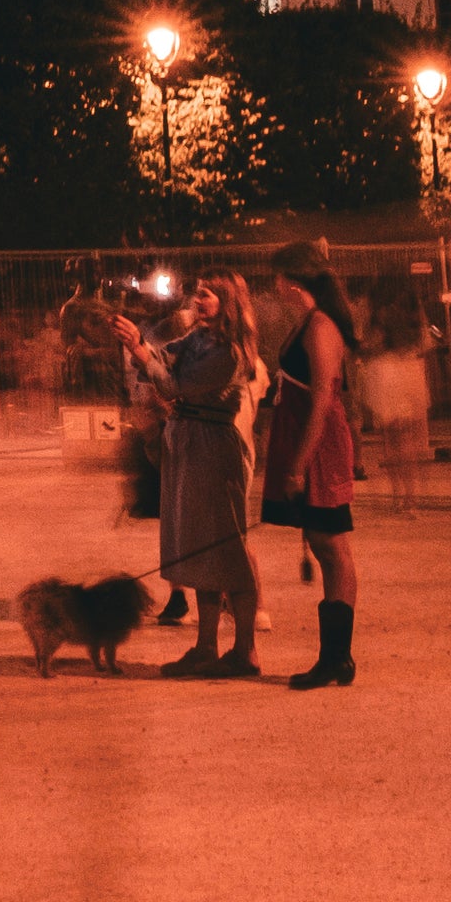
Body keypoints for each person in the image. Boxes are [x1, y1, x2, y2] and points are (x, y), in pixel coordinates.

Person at [121, 277, 261, 678]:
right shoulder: (199, 337)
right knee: (199, 550)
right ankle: (206, 647)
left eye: (206, 294)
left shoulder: (229, 351)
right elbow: (162, 360)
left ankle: (245, 650)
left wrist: (138, 349)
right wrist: (140, 347)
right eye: (196, 292)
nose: (197, 300)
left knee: (226, 548)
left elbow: (176, 384)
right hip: (190, 443)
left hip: (213, 447)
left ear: (227, 301)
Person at [261, 243, 362, 690]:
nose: (274, 285)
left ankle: (337, 658)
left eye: (277, 278)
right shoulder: (310, 319)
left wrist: (299, 464)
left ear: (292, 280)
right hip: (306, 440)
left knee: (332, 545)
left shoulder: (321, 325)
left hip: (319, 447)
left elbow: (322, 399)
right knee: (325, 544)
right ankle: (335, 657)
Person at [358, 273, 435, 519]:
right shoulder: (413, 309)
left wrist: (361, 348)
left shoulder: (380, 313)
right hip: (410, 371)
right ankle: (412, 497)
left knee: (390, 440)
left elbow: (373, 344)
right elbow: (426, 343)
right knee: (409, 441)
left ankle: (397, 496)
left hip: (386, 373)